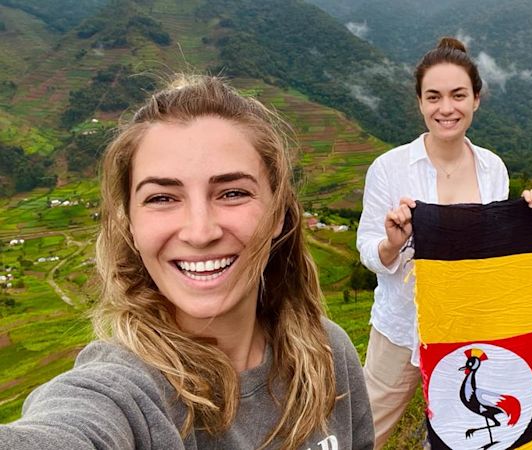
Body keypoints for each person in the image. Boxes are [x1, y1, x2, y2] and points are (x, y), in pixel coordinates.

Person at [0, 75, 373, 449]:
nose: (200, 232)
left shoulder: (326, 352)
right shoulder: (125, 392)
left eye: (232, 193)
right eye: (162, 198)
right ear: (129, 223)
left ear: (278, 213)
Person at [357, 37, 532, 448]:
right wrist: (391, 244)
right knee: (366, 429)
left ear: (476, 99)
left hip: (467, 327)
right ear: (420, 103)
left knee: (463, 431)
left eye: (458, 95)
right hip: (401, 328)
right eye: (434, 97)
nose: (446, 108)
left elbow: (495, 248)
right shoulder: (389, 168)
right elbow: (368, 249)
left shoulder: (493, 167)